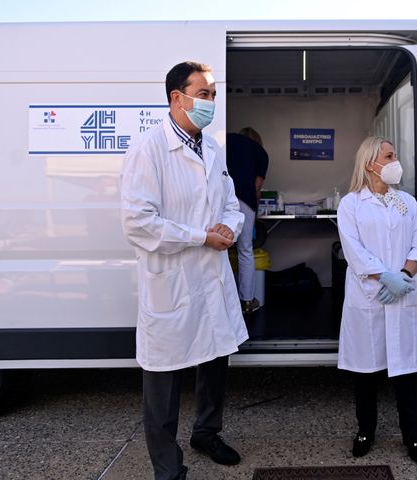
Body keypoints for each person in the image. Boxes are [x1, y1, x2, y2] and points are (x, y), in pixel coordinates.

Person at [121, 61, 248, 480]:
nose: (211, 101)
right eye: (205, 93)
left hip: (209, 275)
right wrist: (200, 237)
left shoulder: (211, 148)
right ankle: (167, 467)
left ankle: (207, 433)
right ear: (178, 97)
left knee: (215, 360)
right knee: (164, 380)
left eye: (213, 94)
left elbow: (230, 202)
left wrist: (231, 225)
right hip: (172, 281)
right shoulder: (149, 148)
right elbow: (139, 222)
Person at [337, 136, 417, 465]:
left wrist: (404, 277)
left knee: (406, 372)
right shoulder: (351, 204)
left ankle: (413, 435)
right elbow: (354, 250)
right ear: (370, 164)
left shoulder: (406, 201)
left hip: (404, 292)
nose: (396, 161)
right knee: (366, 372)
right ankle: (365, 431)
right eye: (390, 155)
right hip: (370, 297)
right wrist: (386, 277)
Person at [226, 128, 269, 314]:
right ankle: (247, 301)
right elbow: (256, 187)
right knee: (245, 250)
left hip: (222, 198)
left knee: (219, 249)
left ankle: (224, 301)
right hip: (244, 200)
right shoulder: (260, 152)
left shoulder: (225, 141)